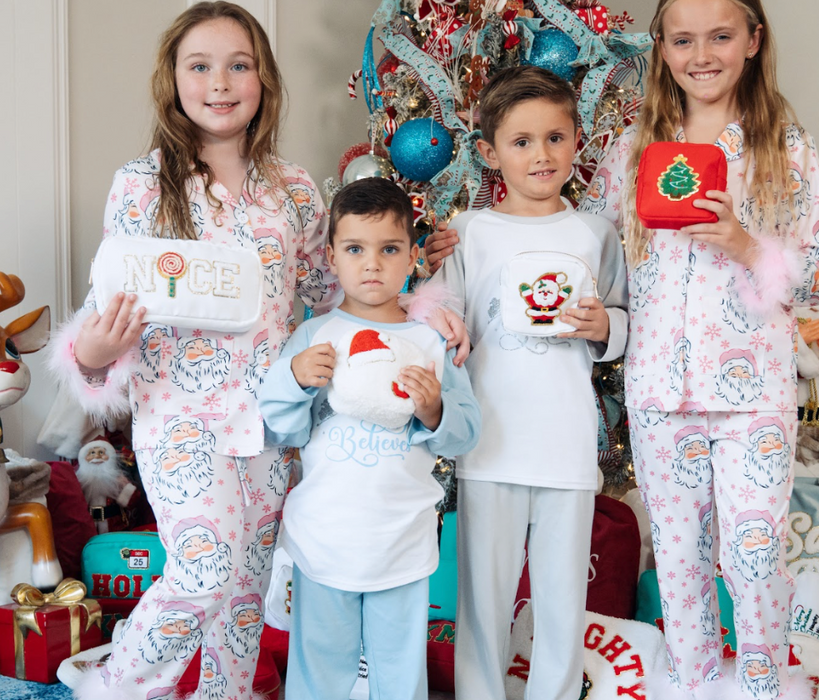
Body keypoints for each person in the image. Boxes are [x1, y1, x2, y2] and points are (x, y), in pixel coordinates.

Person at [48, 4, 466, 699]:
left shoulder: (294, 190)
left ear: (263, 79)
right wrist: (94, 351)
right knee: (201, 574)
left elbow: (336, 293)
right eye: (200, 66)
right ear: (173, 80)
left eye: (239, 65)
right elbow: (103, 318)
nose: (220, 82)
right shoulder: (143, 185)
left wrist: (420, 282)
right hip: (179, 418)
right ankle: (114, 689)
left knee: (243, 598)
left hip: (272, 420)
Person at [576, 1, 819, 698]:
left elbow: (818, 282)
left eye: (720, 36)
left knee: (753, 562)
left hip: (754, 397)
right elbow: (595, 260)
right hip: (661, 392)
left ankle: (760, 688)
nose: (702, 55)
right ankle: (691, 686)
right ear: (660, 47)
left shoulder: (786, 146)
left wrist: (747, 244)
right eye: (683, 39)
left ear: (753, 40)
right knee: (682, 562)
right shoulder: (630, 151)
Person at [431, 65, 629, 700]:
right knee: (483, 602)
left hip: (567, 446)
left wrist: (604, 327)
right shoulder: (468, 233)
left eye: (554, 137)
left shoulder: (598, 235)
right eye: (521, 142)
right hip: (489, 445)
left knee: (562, 601)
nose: (541, 155)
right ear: (490, 152)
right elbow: (442, 320)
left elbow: (624, 323)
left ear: (577, 140)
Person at [258, 177, 481, 700]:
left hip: (400, 538)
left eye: (389, 249)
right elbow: (282, 428)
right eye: (356, 249)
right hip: (324, 538)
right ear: (332, 257)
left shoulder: (432, 338)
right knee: (320, 668)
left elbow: (465, 433)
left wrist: (434, 408)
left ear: (412, 258)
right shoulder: (314, 335)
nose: (373, 264)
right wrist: (293, 378)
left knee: (399, 672)